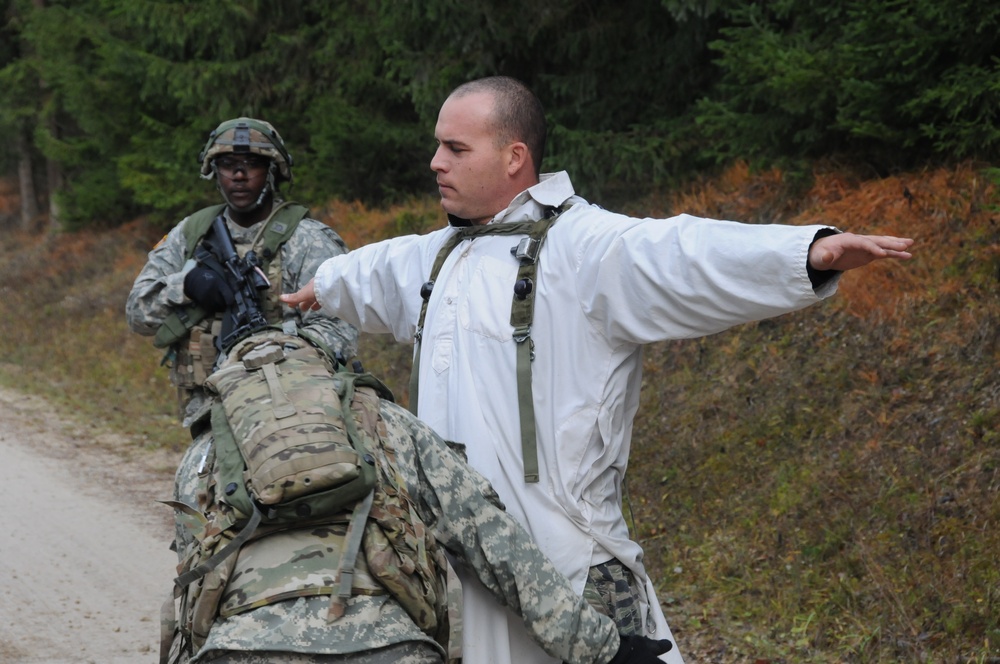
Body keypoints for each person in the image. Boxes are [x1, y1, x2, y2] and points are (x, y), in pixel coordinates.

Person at [281, 76, 914, 664]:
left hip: (568, 558)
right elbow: (371, 271)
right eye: (436, 146)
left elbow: (681, 253)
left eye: (455, 147)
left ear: (513, 158)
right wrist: (322, 286)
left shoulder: (586, 248)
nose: (435, 162)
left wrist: (802, 253)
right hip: (457, 559)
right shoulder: (439, 254)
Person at [166, 333, 674, 663]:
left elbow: (192, 588)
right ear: (331, 377)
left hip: (241, 650)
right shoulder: (389, 426)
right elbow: (493, 542)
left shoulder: (204, 456)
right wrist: (605, 648)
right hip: (390, 647)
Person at [126, 117, 358, 546]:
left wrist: (275, 348)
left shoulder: (308, 240)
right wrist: (187, 285)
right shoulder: (190, 236)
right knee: (197, 521)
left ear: (272, 171)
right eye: (227, 164)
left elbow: (339, 328)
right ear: (213, 171)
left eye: (250, 163)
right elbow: (139, 313)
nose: (237, 174)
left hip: (294, 408)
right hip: (211, 415)